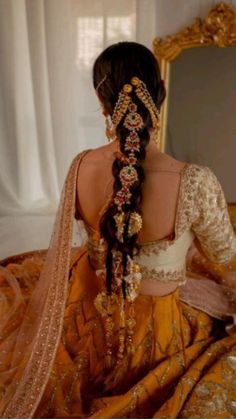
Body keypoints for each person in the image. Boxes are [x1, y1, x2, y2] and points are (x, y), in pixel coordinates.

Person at [0, 41, 236, 419]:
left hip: (80, 323)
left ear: (100, 97)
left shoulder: (80, 166)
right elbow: (225, 254)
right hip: (157, 337)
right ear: (162, 87)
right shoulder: (195, 181)